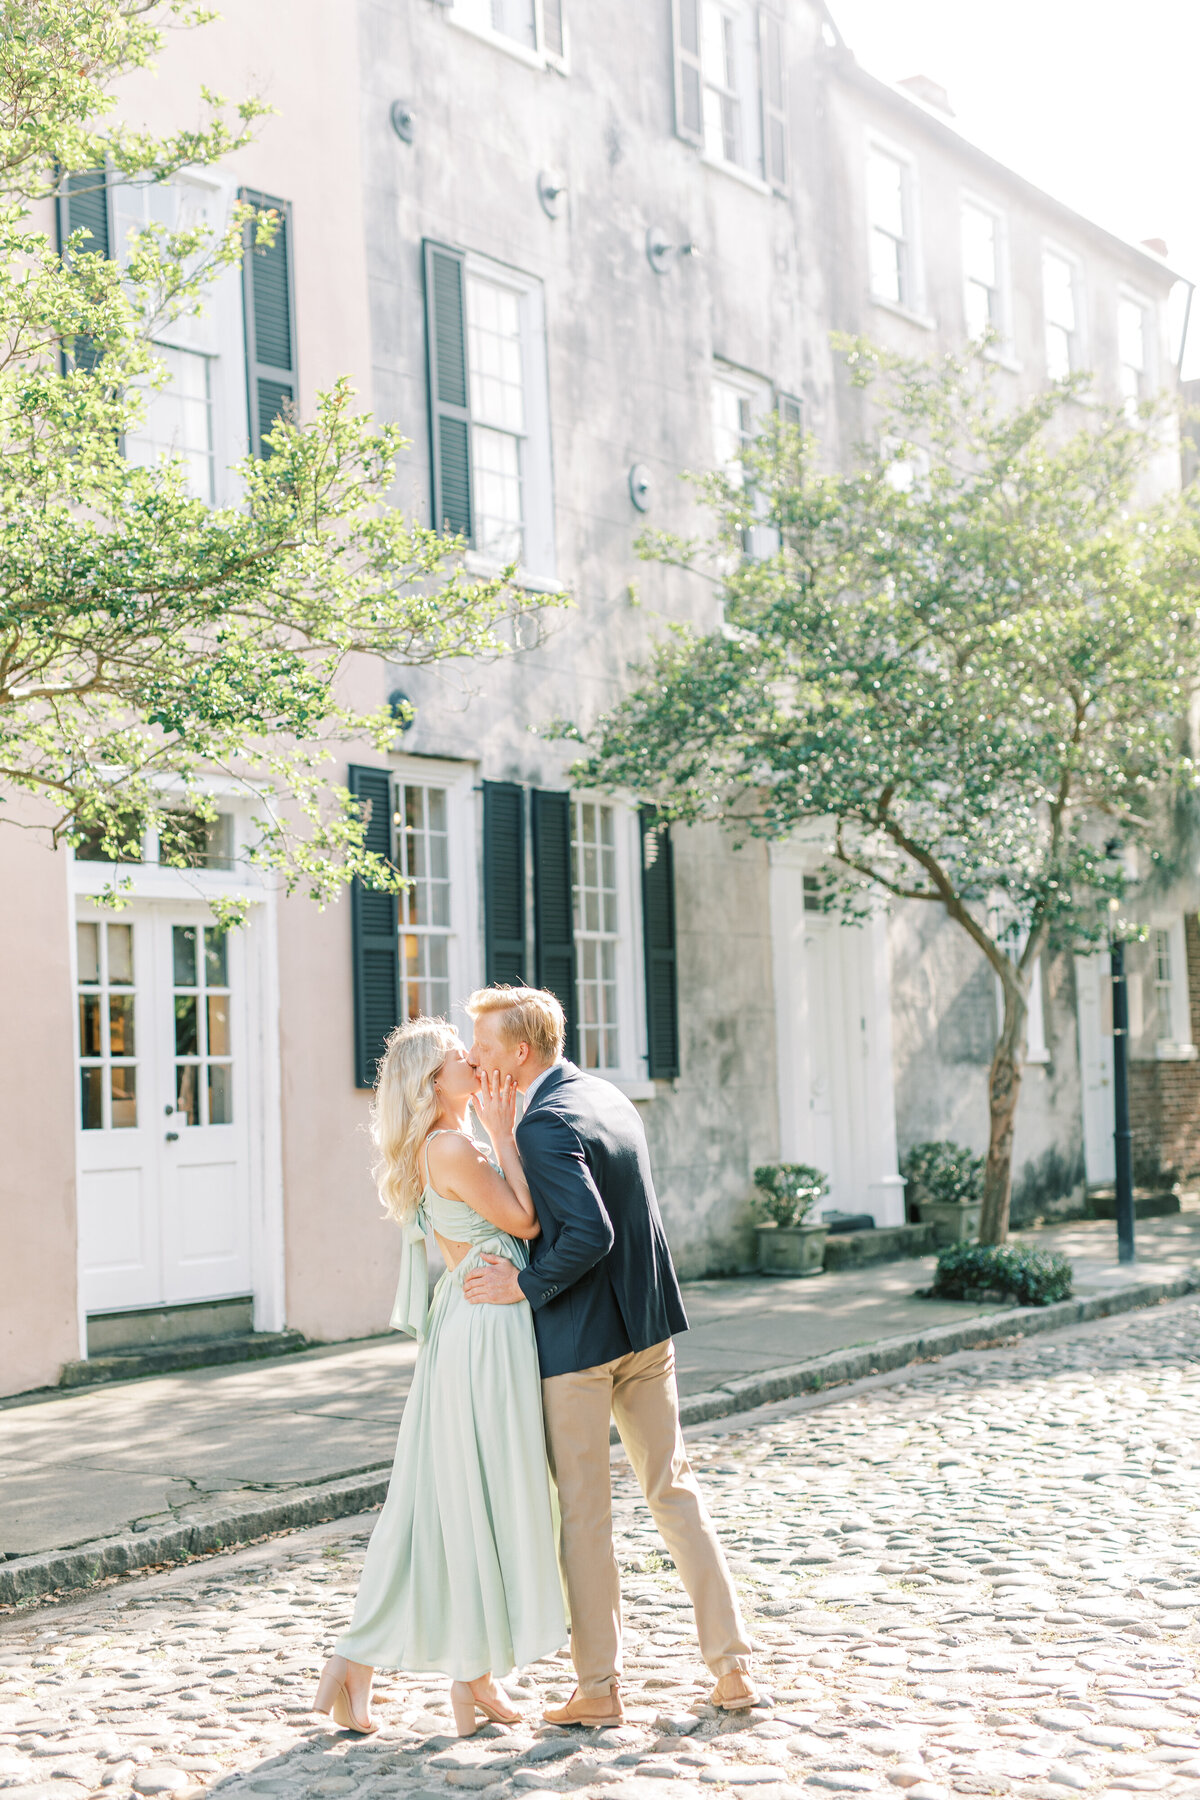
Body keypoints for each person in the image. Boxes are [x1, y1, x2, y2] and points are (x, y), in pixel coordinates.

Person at [463, 985, 757, 1727]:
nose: (474, 1058)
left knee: (585, 1518)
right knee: (674, 1492)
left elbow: (592, 1233)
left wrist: (524, 1286)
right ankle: (733, 1669)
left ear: (520, 1053)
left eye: (486, 1047)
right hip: (647, 1332)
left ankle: (599, 1690)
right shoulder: (606, 1096)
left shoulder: (542, 1126)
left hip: (581, 1348)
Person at [313, 1017, 567, 1739]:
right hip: (488, 1328)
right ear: (434, 1083)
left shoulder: (445, 1143)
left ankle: (397, 1670)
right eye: (462, 1057)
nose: (475, 1061)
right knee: (484, 1495)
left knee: (449, 1500)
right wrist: (509, 1132)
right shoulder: (454, 1144)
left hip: (470, 1320)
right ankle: (444, 1673)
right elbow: (524, 1222)